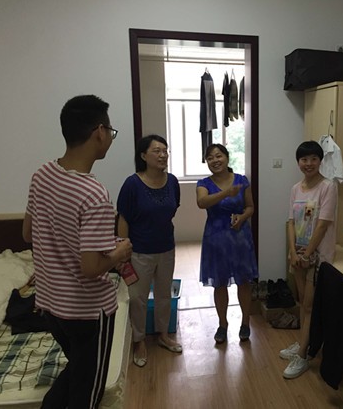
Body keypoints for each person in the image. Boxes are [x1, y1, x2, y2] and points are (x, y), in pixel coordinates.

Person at [22, 95, 133, 409]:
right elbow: (90, 267)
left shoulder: (42, 174)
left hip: (49, 305)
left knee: (78, 373)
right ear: (99, 132)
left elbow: (28, 233)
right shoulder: (93, 193)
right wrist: (120, 252)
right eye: (111, 131)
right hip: (86, 311)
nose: (110, 138)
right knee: (87, 391)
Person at [117, 134, 182, 368]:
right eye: (157, 151)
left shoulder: (172, 181)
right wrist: (123, 250)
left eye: (165, 150)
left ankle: (163, 334)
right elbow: (123, 218)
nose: (163, 155)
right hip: (139, 251)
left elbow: (172, 209)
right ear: (144, 155)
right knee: (138, 298)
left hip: (166, 248)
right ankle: (139, 340)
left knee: (164, 295)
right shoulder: (132, 184)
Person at [280, 140, 338, 379]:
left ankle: (303, 355)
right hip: (298, 256)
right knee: (303, 302)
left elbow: (323, 225)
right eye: (304, 159)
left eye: (314, 158)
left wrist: (306, 254)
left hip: (317, 257)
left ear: (320, 161)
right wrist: (294, 252)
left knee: (309, 306)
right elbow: (290, 222)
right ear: (298, 162)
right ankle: (303, 342)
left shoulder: (328, 187)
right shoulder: (296, 188)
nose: (309, 163)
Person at [196, 143, 258, 343]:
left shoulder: (241, 180)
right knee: (219, 283)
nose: (215, 160)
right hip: (216, 239)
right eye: (210, 158)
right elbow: (202, 203)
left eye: (218, 156)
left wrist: (242, 217)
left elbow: (250, 207)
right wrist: (226, 193)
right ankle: (222, 324)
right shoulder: (203, 183)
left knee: (244, 282)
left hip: (240, 237)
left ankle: (245, 322)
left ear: (227, 157)